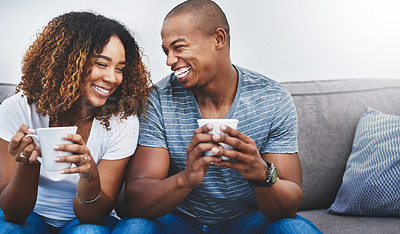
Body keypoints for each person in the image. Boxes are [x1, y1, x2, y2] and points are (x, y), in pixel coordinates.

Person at [114, 0, 321, 233]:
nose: (169, 60)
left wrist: (261, 173)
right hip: (177, 221)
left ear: (218, 39)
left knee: (296, 230)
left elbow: (288, 208)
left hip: (247, 222)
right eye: (166, 51)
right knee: (134, 228)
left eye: (179, 47)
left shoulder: (272, 99)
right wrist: (187, 178)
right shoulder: (159, 99)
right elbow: (136, 201)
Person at [0, 11, 151, 233]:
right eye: (102, 64)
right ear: (67, 62)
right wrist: (27, 165)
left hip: (87, 221)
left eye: (120, 68)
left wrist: (89, 175)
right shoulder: (18, 109)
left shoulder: (122, 119)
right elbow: (14, 214)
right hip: (31, 216)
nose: (112, 78)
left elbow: (93, 216)